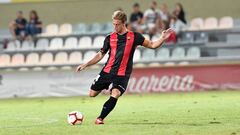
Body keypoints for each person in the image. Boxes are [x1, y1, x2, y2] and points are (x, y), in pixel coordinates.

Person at [76, 10, 173, 124]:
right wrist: (86, 64)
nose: (115, 26)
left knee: (115, 94)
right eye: (114, 24)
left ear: (124, 23)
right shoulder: (109, 38)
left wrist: (162, 38)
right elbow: (100, 54)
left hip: (123, 74)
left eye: (117, 24)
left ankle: (100, 118)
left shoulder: (134, 36)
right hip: (107, 71)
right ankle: (105, 88)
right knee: (92, 94)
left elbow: (152, 45)